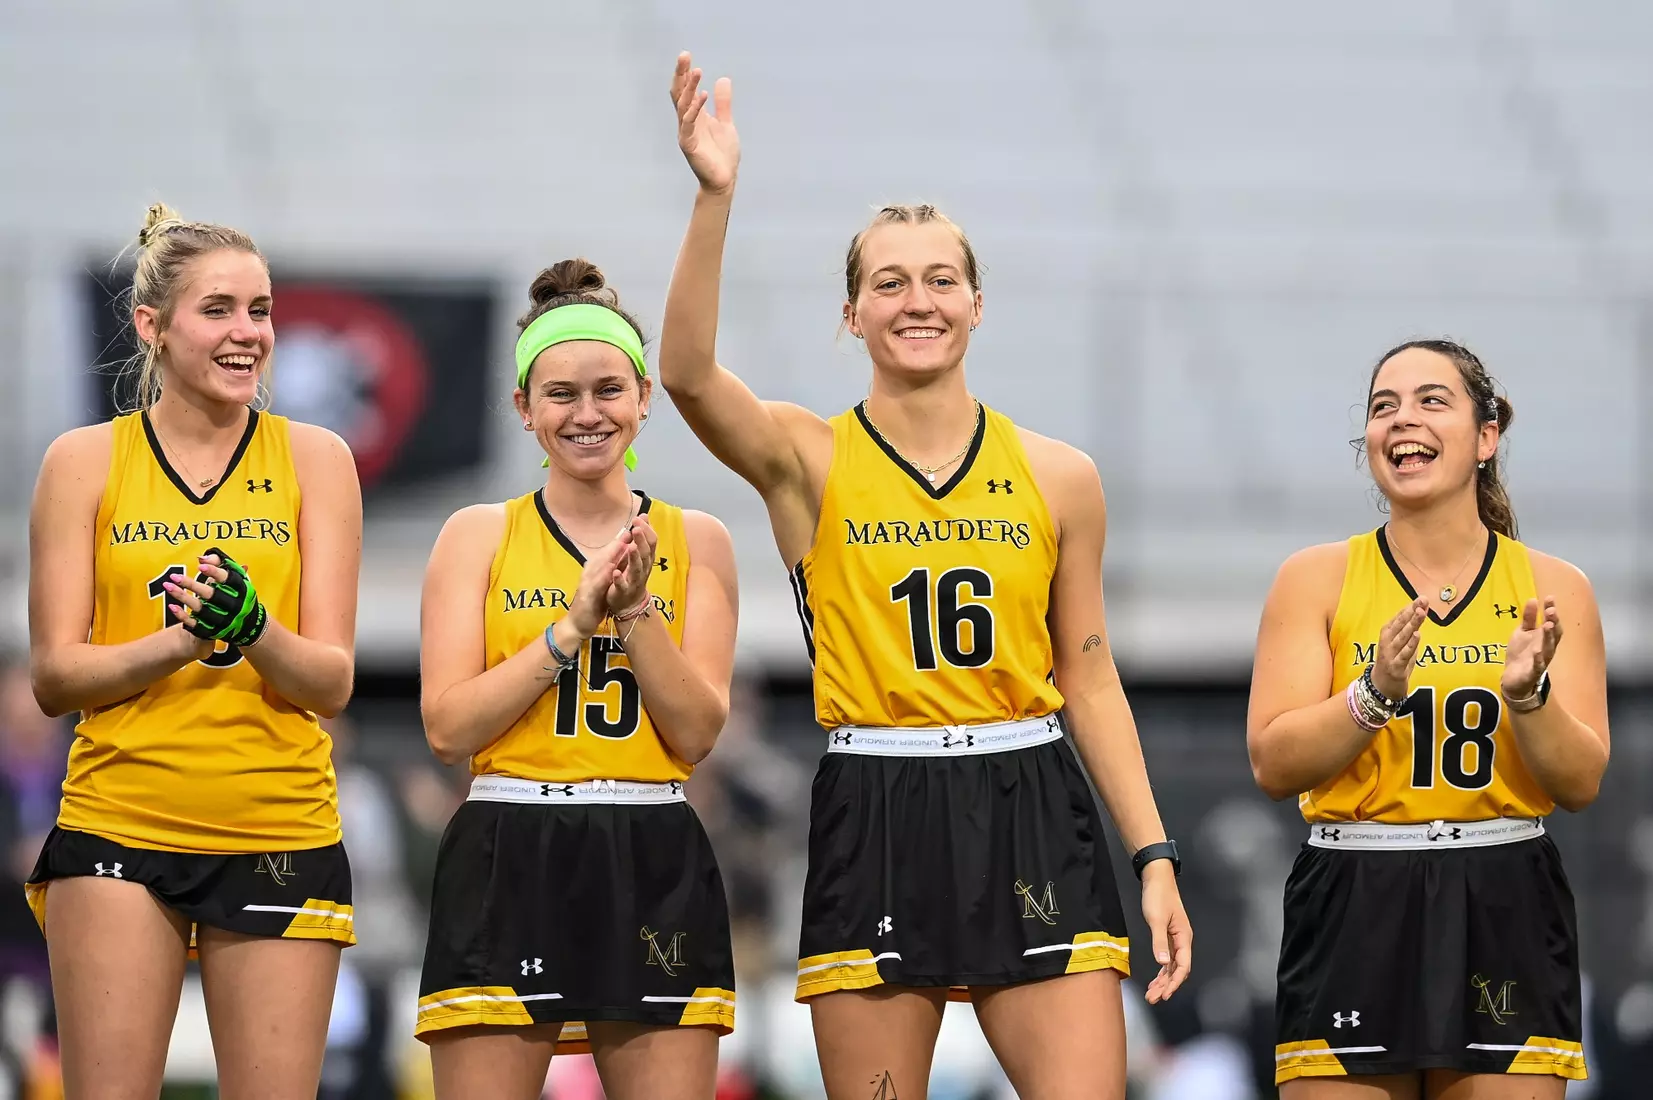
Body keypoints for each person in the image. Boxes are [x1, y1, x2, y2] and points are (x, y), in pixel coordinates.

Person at [659, 54, 1193, 1099]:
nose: (919, 299)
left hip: (1030, 792)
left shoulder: (1059, 475)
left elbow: (1089, 675)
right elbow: (682, 373)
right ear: (851, 313)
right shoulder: (805, 456)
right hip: (878, 795)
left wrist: (1155, 854)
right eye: (889, 281)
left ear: (979, 304)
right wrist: (715, 195)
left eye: (942, 278)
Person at [25, 203, 363, 1100]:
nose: (247, 332)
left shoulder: (319, 458)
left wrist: (254, 628)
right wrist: (182, 641)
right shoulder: (82, 461)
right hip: (118, 824)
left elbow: (330, 680)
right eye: (218, 309)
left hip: (279, 826)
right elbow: (55, 676)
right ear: (152, 326)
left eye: (260, 310)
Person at [1247, 339, 1610, 1097]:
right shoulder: (1314, 577)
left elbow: (1579, 782)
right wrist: (1372, 693)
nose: (1401, 419)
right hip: (1354, 890)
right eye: (1383, 406)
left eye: (1430, 400)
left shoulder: (1552, 586)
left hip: (1503, 889)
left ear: (1486, 437)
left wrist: (1526, 697)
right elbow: (1273, 764)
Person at [415, 259, 740, 1100]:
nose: (587, 414)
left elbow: (697, 734)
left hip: (651, 844)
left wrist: (633, 614)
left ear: (644, 397)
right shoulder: (476, 534)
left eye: (607, 390)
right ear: (524, 408)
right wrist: (568, 630)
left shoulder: (695, 538)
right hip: (508, 841)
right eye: (560, 394)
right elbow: (450, 731)